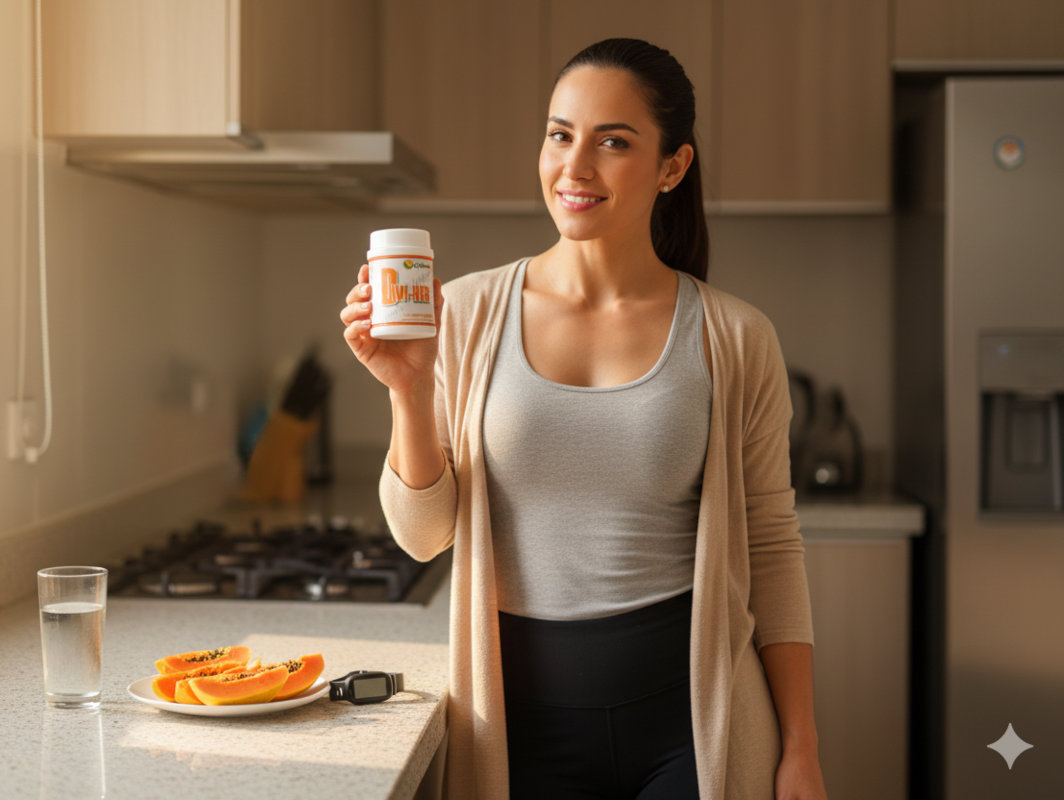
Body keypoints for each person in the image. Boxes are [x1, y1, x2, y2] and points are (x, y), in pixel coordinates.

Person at [341, 37, 827, 800]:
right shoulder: (465, 313)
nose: (576, 166)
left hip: (693, 726)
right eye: (560, 134)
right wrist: (408, 387)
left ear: (673, 167)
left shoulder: (733, 336)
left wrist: (801, 747)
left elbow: (770, 543)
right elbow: (423, 534)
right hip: (515, 728)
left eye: (614, 142)